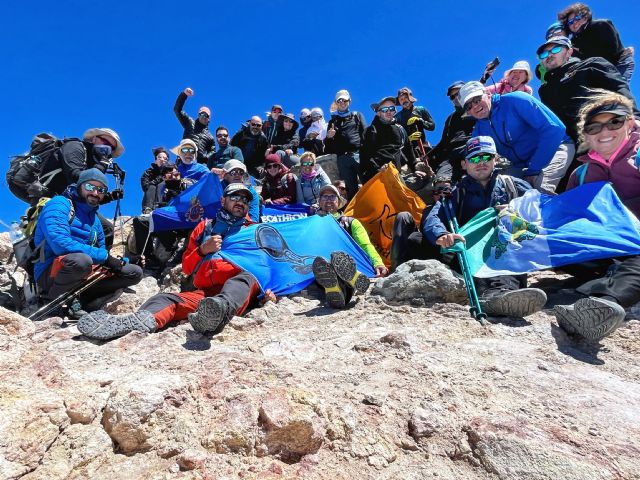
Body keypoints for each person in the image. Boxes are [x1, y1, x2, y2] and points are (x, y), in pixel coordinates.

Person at [77, 184, 275, 340]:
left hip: (235, 295)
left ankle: (218, 313)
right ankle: (139, 321)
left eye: (245, 199)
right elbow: (188, 267)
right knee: (164, 299)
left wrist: (268, 295)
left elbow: (267, 267)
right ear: (223, 200)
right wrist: (203, 250)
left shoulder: (256, 231)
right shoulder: (204, 228)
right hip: (204, 296)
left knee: (243, 278)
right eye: (235, 197)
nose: (240, 202)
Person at [550, 93, 640, 342]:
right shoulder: (581, 173)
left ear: (630, 123)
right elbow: (565, 216)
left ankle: (604, 305)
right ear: (586, 135)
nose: (605, 131)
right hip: (607, 246)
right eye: (594, 127)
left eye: (615, 122)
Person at [423, 137, 546, 318]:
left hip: (508, 246)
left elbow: (541, 208)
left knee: (504, 243)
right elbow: (434, 217)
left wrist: (517, 211)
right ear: (464, 164)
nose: (480, 162)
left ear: (495, 159)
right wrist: (441, 234)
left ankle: (503, 293)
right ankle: (495, 297)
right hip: (472, 252)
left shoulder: (512, 185)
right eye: (474, 158)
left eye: (486, 157)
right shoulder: (456, 193)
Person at [34, 168, 143, 318]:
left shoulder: (96, 220)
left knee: (134, 272)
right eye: (90, 187)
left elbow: (101, 254)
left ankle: (81, 299)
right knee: (81, 261)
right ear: (79, 186)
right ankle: (53, 299)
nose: (95, 193)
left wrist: (123, 262)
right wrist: (105, 257)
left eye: (101, 189)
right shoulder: (59, 204)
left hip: (82, 272)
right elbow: (59, 244)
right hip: (50, 271)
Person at [459, 80, 572, 194]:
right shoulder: (478, 131)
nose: (474, 106)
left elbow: (555, 128)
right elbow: (476, 160)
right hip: (520, 165)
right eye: (468, 106)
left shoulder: (516, 100)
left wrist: (534, 170)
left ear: (488, 93)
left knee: (537, 191)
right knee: (499, 193)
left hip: (556, 147)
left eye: (477, 99)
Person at [537, 36, 638, 146]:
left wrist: (635, 117)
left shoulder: (591, 64)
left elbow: (618, 88)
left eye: (555, 49)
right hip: (576, 149)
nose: (549, 55)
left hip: (611, 132)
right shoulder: (545, 91)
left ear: (569, 52)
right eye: (544, 54)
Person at [38, 127, 125, 248]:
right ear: (94, 138)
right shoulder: (75, 147)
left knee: (106, 229)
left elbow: (86, 195)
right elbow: (74, 177)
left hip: (71, 201)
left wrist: (109, 197)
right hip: (50, 195)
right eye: (105, 142)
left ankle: (101, 263)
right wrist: (101, 166)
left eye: (112, 147)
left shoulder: (94, 161)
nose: (108, 148)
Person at [312, 184, 388, 307]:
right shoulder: (311, 223)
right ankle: (346, 285)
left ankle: (339, 288)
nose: (328, 199)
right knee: (322, 266)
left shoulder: (351, 222)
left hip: (348, 262)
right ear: (319, 201)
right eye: (325, 196)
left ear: (338, 201)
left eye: (332, 196)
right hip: (322, 264)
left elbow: (365, 245)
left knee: (335, 266)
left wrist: (377, 262)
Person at [557, 3, 635, 81]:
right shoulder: (573, 42)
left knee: (617, 87)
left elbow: (611, 52)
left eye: (577, 18)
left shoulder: (601, 25)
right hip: (600, 68)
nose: (574, 23)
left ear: (585, 17)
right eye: (570, 22)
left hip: (619, 61)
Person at [390, 176, 453, 272]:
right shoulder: (428, 209)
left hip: (449, 251)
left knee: (415, 237)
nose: (441, 194)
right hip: (429, 247)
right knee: (403, 217)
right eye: (437, 191)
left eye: (446, 190)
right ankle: (396, 267)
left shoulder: (459, 207)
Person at [359, 96, 416, 184]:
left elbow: (408, 149)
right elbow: (365, 155)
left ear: (395, 110)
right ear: (378, 113)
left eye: (391, 108)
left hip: (397, 172)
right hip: (376, 175)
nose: (389, 111)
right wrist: (378, 169)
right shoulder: (370, 131)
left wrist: (415, 168)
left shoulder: (400, 129)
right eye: (385, 109)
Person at [428, 81, 476, 182]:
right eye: (452, 97)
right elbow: (443, 142)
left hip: (471, 147)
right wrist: (427, 156)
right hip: (451, 154)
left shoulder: (476, 108)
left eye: (457, 94)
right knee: (441, 182)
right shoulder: (450, 118)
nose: (455, 98)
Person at [324, 90, 367, 201]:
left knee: (368, 182)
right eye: (340, 100)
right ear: (336, 103)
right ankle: (355, 214)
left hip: (358, 154)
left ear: (349, 101)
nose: (342, 102)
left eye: (345, 100)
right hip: (342, 159)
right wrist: (329, 137)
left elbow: (366, 134)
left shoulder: (357, 115)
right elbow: (328, 147)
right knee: (350, 189)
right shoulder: (332, 122)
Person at [173, 87, 215, 164]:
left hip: (198, 165)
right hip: (183, 159)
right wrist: (184, 94)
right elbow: (177, 109)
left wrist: (205, 157)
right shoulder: (189, 122)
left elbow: (213, 151)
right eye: (202, 114)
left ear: (209, 119)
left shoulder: (210, 137)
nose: (203, 116)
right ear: (198, 115)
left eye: (206, 115)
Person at [394, 87, 436, 157]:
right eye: (401, 99)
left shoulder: (421, 109)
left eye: (405, 97)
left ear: (410, 97)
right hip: (408, 150)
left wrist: (420, 121)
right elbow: (396, 138)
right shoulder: (397, 117)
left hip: (423, 146)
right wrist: (409, 139)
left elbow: (432, 126)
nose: (403, 100)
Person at [141, 147, 170, 213]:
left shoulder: (170, 171)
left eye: (165, 158)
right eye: (160, 157)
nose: (162, 159)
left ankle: (159, 208)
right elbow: (145, 186)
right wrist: (156, 181)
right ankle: (147, 210)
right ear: (156, 159)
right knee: (151, 187)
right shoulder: (148, 172)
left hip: (165, 200)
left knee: (162, 185)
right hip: (150, 200)